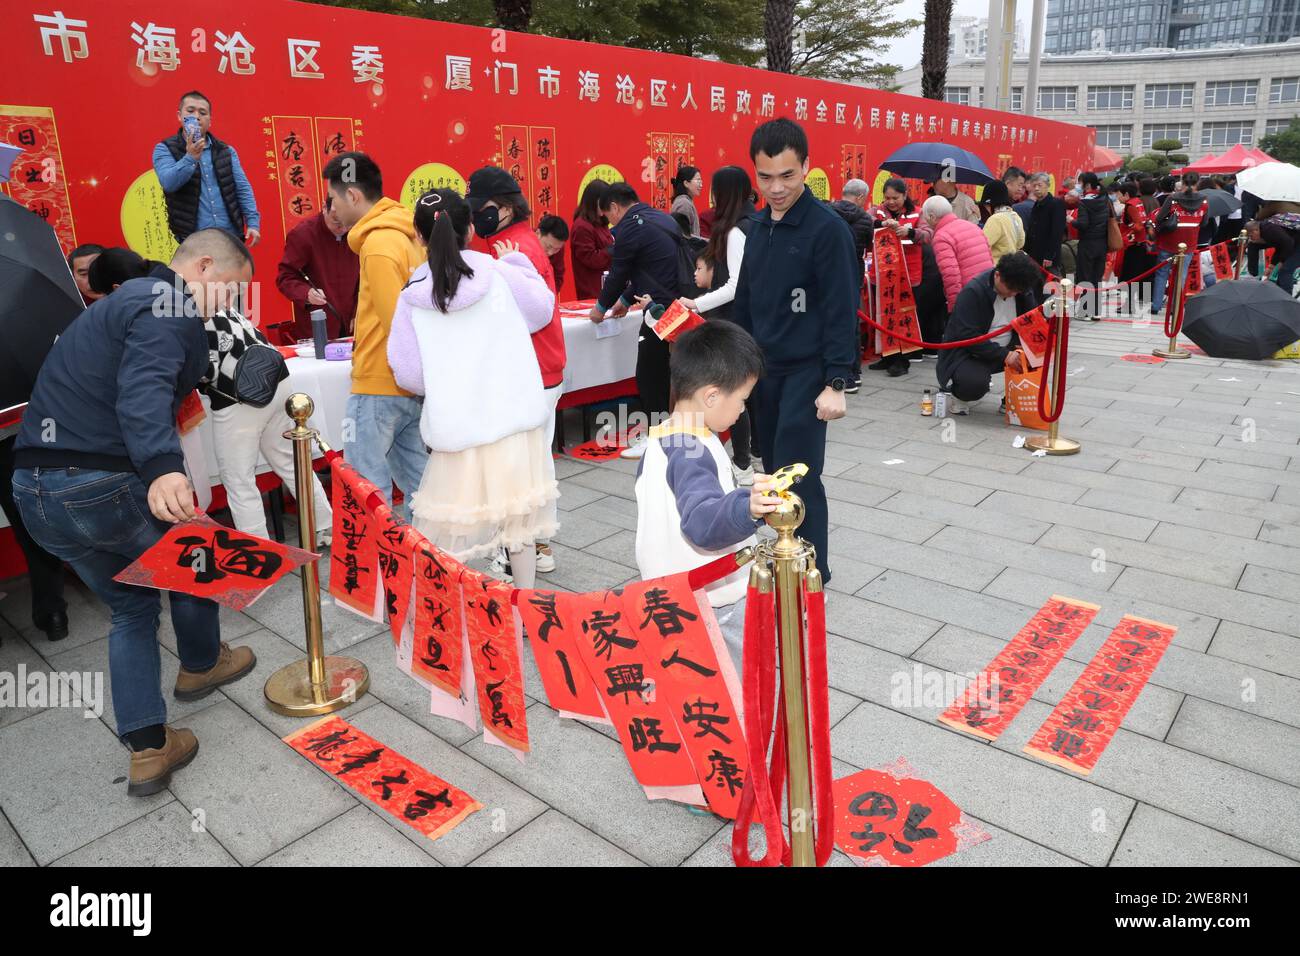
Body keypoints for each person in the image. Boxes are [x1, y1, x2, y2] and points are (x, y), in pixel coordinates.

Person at [9, 229, 260, 794]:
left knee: (130, 603)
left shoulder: (125, 300)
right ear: (202, 267)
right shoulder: (166, 303)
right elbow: (143, 387)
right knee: (196, 557)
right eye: (231, 290)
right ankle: (200, 663)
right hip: (99, 482)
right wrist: (162, 466)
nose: (233, 304)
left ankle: (149, 750)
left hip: (35, 492)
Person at [386, 189, 558, 598]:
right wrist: (517, 263)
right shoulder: (500, 272)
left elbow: (408, 375)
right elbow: (541, 312)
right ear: (468, 229)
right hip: (513, 421)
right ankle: (524, 607)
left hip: (458, 429)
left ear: (418, 234)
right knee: (519, 526)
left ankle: (451, 612)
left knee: (450, 530)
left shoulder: (413, 294)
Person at [733, 118, 855, 583]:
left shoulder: (827, 230)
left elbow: (841, 309)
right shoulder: (758, 224)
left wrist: (836, 382)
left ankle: (812, 575)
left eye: (787, 175)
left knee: (798, 475)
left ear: (806, 167)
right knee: (771, 474)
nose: (776, 187)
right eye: (766, 177)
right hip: (764, 373)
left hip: (808, 374)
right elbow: (745, 302)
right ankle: (787, 555)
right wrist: (735, 370)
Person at [634, 320, 780, 670]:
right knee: (741, 689)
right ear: (712, 395)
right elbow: (702, 522)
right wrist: (749, 507)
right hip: (712, 600)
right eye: (742, 399)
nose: (743, 409)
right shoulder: (690, 450)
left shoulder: (668, 435)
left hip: (670, 595)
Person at [465, 167, 566, 574]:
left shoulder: (515, 246)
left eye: (484, 209)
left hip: (533, 370)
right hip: (541, 368)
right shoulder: (516, 241)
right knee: (536, 462)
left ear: (505, 208)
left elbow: (522, 316)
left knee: (524, 468)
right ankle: (538, 546)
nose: (478, 217)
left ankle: (528, 549)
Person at [204, 307, 334, 545]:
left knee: (239, 479)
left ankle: (259, 553)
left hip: (238, 392)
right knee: (290, 461)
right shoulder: (206, 289)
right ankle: (327, 527)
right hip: (273, 374)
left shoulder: (177, 305)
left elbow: (201, 367)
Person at [675, 166, 760, 483]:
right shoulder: (754, 222)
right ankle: (749, 456)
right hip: (748, 319)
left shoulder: (737, 230)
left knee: (731, 395)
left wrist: (697, 303)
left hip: (734, 320)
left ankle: (741, 463)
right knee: (742, 395)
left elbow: (734, 285)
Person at [588, 181, 683, 459]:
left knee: (649, 375)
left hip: (658, 312)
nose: (609, 223)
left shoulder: (630, 227)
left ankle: (656, 437)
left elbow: (619, 274)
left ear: (615, 207)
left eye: (608, 216)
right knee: (668, 373)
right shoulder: (660, 218)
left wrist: (600, 308)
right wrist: (625, 301)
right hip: (676, 306)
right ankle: (670, 432)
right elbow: (647, 271)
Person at [936, 252, 1041, 414]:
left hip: (1009, 345)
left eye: (1017, 291)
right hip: (971, 352)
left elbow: (1031, 322)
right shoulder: (973, 291)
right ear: (998, 275)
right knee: (973, 384)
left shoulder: (1021, 291)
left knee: (1038, 355)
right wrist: (1004, 355)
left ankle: (1013, 398)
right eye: (1010, 289)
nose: (1013, 294)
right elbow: (967, 335)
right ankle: (959, 395)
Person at [152, 91, 260, 246]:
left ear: (210, 121)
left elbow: (242, 188)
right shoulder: (165, 149)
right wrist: (190, 157)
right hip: (193, 240)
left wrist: (253, 223)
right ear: (179, 115)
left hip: (230, 237)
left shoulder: (226, 151)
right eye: (190, 111)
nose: (196, 116)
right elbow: (169, 183)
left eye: (202, 113)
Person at [867, 177, 934, 375]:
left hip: (907, 274)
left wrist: (909, 232)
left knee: (904, 317)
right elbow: (866, 221)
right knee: (885, 315)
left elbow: (929, 234)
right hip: (882, 273)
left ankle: (902, 360)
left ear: (905, 195)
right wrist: (881, 222)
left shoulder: (918, 212)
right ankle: (887, 357)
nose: (891, 202)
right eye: (887, 198)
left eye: (895, 198)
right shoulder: (877, 210)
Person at [275, 197, 359, 340]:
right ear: (324, 207)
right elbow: (285, 277)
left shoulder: (358, 234)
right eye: (337, 222)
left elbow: (366, 278)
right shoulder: (303, 235)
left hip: (354, 325)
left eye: (349, 223)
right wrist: (306, 293)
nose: (343, 229)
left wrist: (359, 312)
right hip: (318, 327)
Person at [827, 178, 873, 390]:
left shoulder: (826, 212)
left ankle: (832, 373)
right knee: (851, 324)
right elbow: (867, 248)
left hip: (827, 274)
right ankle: (853, 375)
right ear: (861, 197)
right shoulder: (865, 219)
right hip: (852, 275)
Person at [1151, 171, 1209, 315]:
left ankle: (1156, 306)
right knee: (1181, 275)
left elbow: (1159, 218)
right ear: (1198, 182)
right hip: (1189, 243)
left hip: (1168, 241)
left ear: (1182, 183)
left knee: (1161, 274)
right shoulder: (1204, 201)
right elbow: (1205, 223)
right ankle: (1174, 307)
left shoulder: (1173, 198)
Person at [925, 195, 994, 314]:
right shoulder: (972, 226)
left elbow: (950, 274)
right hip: (988, 289)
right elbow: (990, 257)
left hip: (968, 295)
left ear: (932, 217)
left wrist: (954, 306)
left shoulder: (941, 236)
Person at [1073, 172, 1112, 319]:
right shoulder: (1104, 199)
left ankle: (1084, 311)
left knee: (1085, 277)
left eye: (1080, 182)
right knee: (1096, 278)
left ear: (1087, 185)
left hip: (1087, 243)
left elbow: (1083, 224)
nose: (1079, 186)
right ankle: (1095, 311)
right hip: (1102, 244)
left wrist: (1071, 220)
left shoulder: (1085, 202)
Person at [570, 179, 613, 299]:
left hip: (606, 289)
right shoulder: (582, 226)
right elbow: (590, 258)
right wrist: (612, 250)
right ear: (594, 201)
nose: (606, 207)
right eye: (603, 203)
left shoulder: (600, 223)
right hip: (592, 292)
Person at [1117, 181, 1155, 314]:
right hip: (1140, 245)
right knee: (1136, 275)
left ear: (1126, 194)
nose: (1117, 197)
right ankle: (1131, 304)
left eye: (1119, 194)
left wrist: (1126, 235)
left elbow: (1138, 225)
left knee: (1130, 276)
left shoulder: (1130, 206)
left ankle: (1129, 305)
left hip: (1133, 246)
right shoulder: (1137, 201)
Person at [1025, 172, 1067, 276]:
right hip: (1034, 254)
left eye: (1040, 185)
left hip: (1048, 257)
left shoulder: (1056, 204)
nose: (1036, 188)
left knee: (1050, 287)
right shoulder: (1036, 204)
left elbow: (1057, 232)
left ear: (1047, 185)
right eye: (1034, 185)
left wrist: (1050, 255)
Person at [981, 181, 1025, 260]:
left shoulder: (995, 219)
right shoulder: (1015, 216)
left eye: (986, 205)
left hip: (996, 267)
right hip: (1011, 265)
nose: (986, 208)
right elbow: (1021, 243)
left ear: (991, 203)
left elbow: (983, 245)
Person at [537, 214, 569, 290]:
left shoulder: (558, 246)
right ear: (538, 233)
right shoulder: (525, 244)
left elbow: (558, 276)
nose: (550, 253)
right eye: (548, 247)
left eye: (556, 249)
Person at [671, 165, 704, 237]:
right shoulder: (684, 204)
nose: (701, 185)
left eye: (701, 181)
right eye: (698, 180)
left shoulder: (685, 201)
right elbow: (684, 236)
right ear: (686, 183)